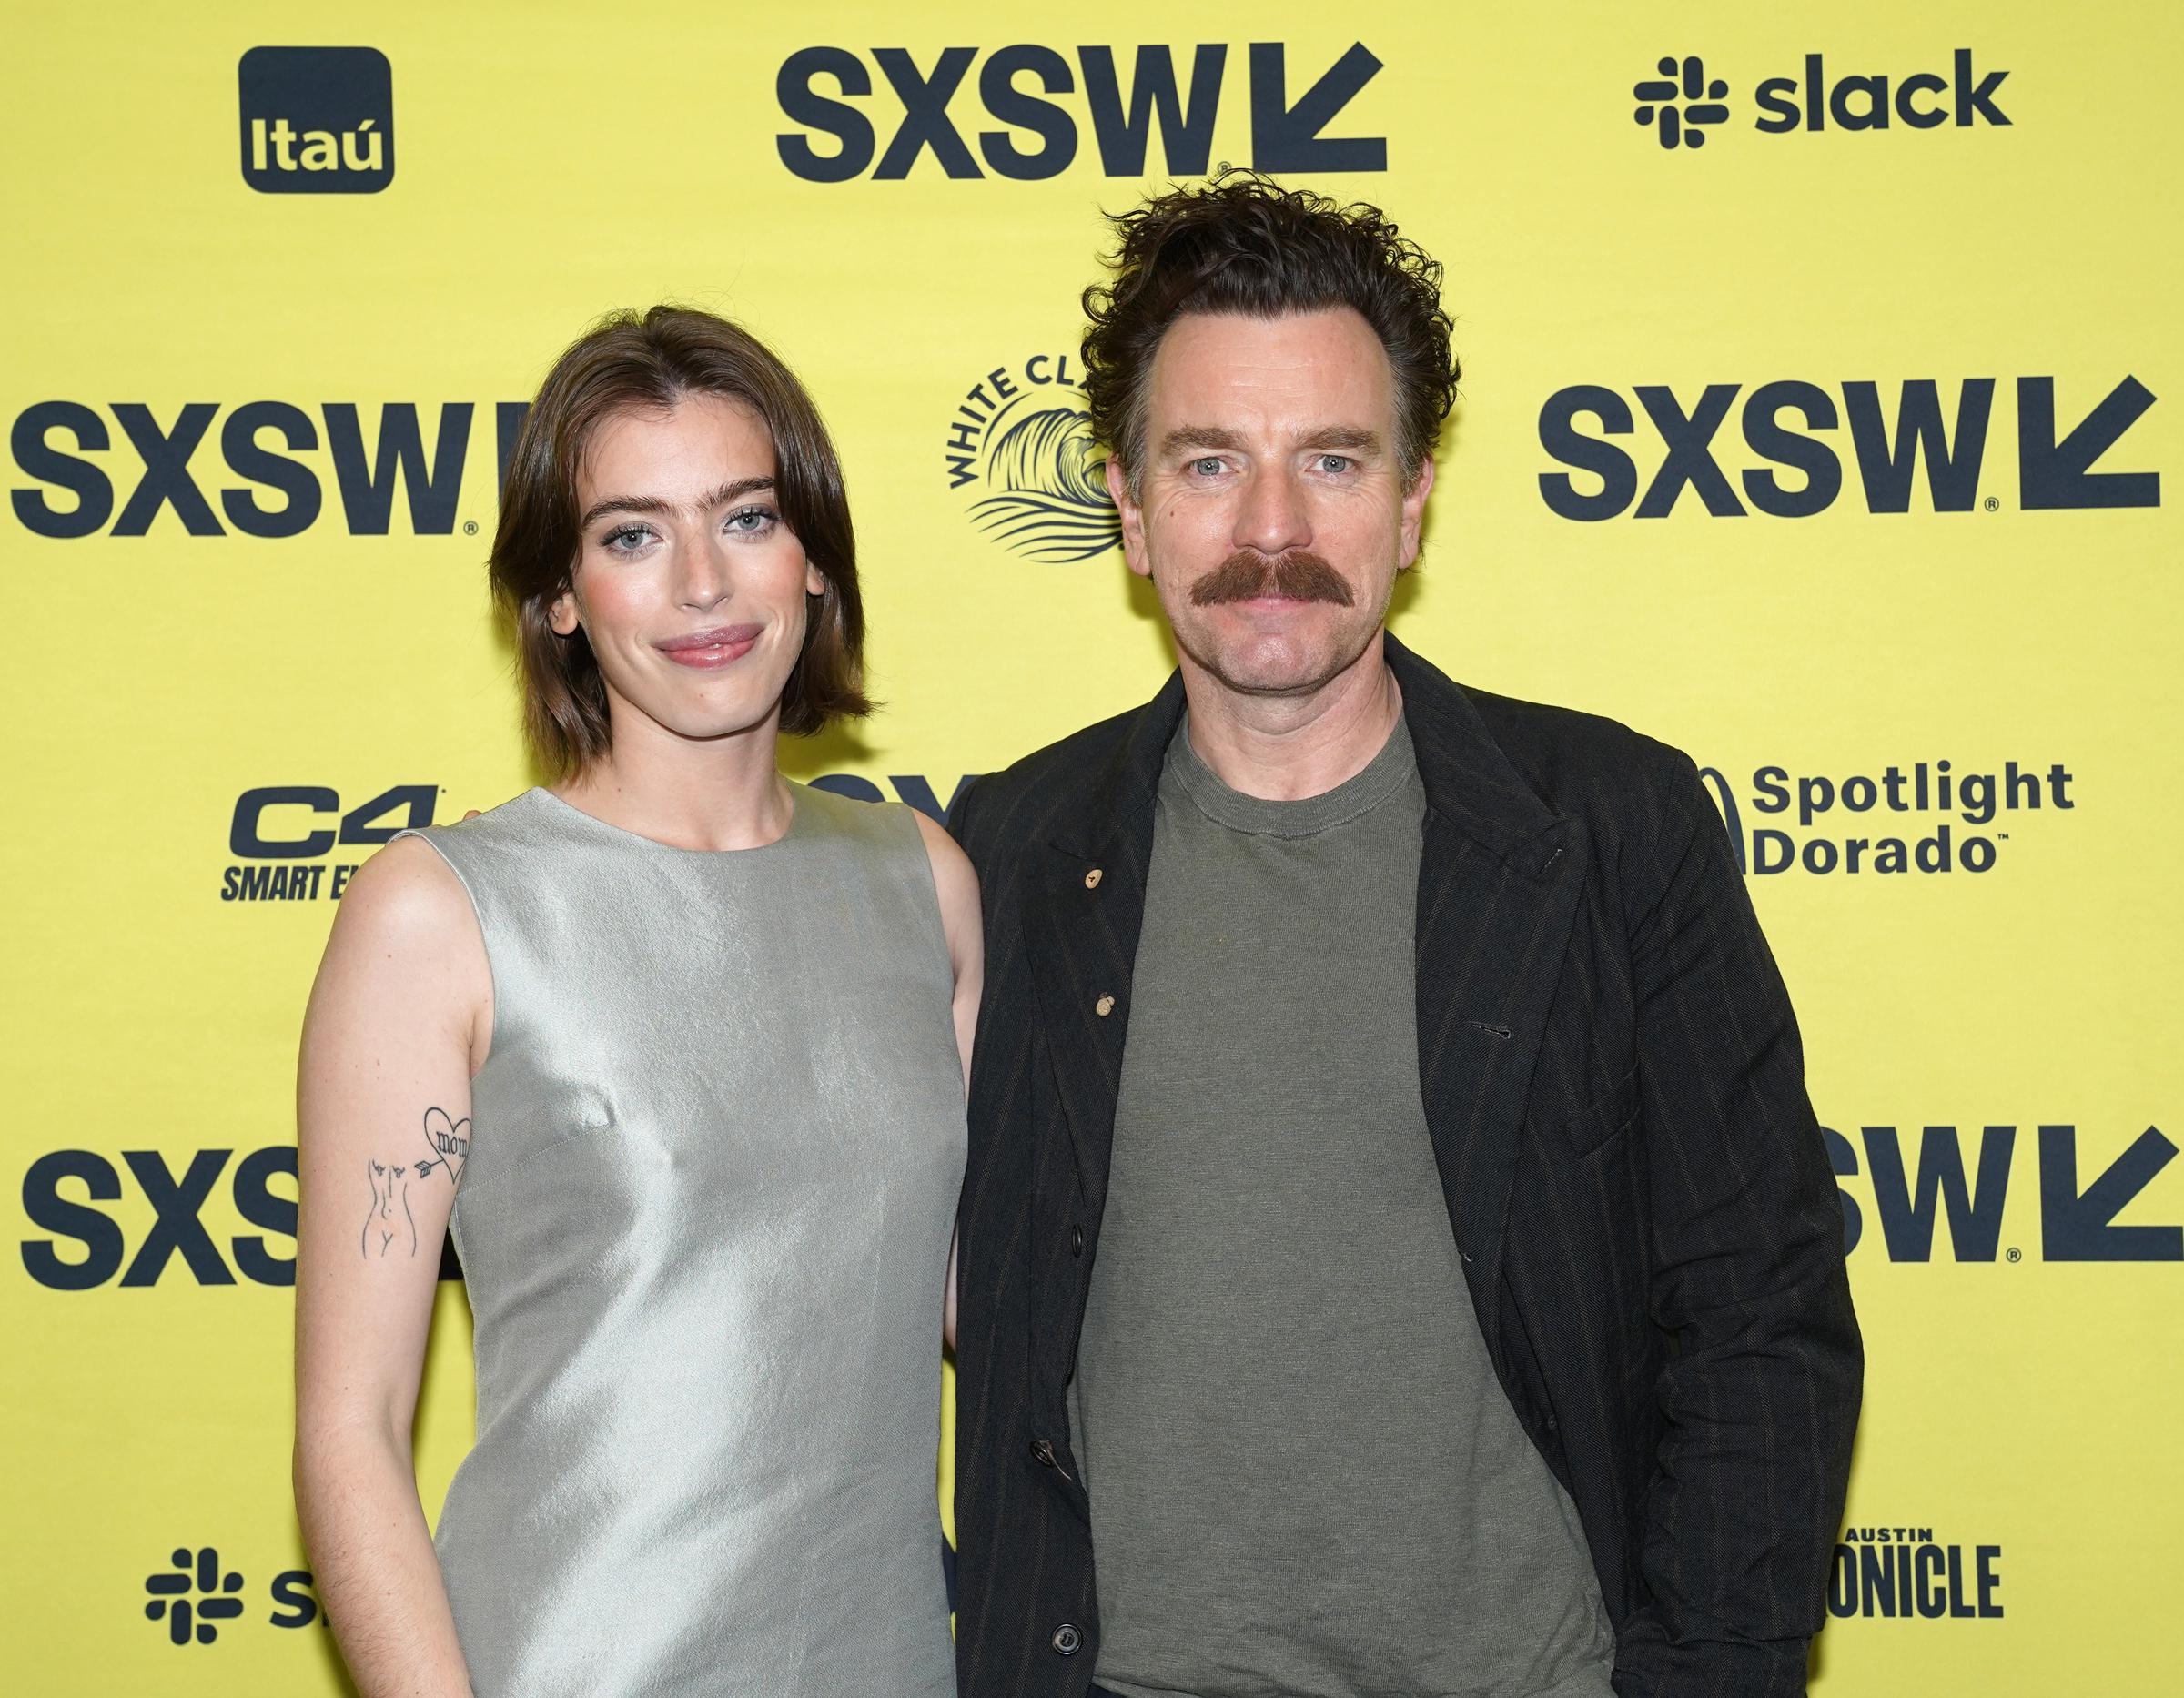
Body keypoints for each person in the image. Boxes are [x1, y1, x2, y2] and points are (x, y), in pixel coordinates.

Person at [949, 174, 1861, 1698]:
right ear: (1123, 502)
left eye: (1333, 458)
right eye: (1209, 462)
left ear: (1416, 495)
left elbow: (1760, 1303)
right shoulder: (1008, 856)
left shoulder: (1610, 831)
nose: (1272, 530)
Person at [293, 305, 976, 1698]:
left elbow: (992, 1307)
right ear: (558, 595)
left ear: (816, 562)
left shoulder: (925, 880)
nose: (704, 585)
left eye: (748, 516)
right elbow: (349, 1430)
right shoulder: (440, 913)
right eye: (632, 534)